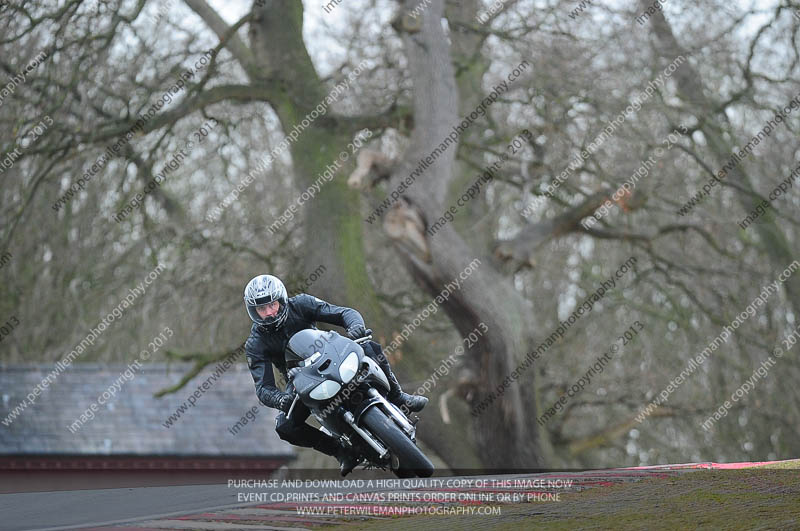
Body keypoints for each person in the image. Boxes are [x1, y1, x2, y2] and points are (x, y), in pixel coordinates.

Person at [243, 274, 428, 475]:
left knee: (368, 346)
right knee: (284, 427)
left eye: (273, 305)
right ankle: (341, 452)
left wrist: (355, 327)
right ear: (254, 312)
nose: (269, 312)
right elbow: (263, 388)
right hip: (301, 380)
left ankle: (399, 397)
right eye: (262, 309)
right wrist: (280, 400)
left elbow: (344, 313)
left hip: (333, 355)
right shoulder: (255, 344)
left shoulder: (302, 303)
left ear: (282, 299)